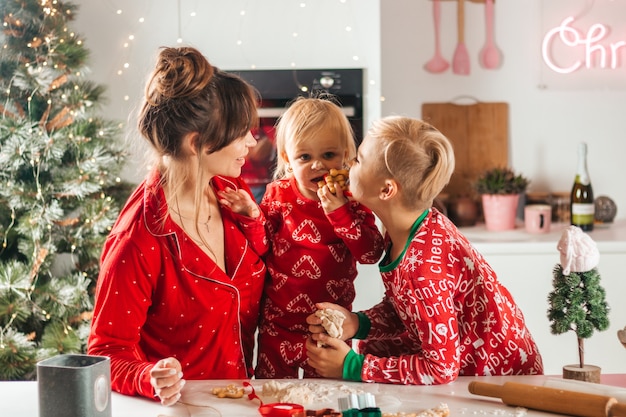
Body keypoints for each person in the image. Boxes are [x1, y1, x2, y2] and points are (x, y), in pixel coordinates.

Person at [87, 46, 268, 406]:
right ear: (196, 143)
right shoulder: (138, 240)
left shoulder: (232, 192)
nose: (252, 141)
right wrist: (148, 377)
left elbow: (262, 258)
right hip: (185, 411)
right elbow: (105, 353)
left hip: (241, 403)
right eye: (241, 132)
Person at [305, 116, 544, 384]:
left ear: (386, 189)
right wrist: (357, 323)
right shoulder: (411, 227)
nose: (349, 165)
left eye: (359, 160)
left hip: (496, 381)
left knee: (366, 357)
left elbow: (440, 369)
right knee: (371, 345)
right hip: (467, 359)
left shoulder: (421, 269)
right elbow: (408, 308)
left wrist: (352, 367)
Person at [254, 96, 384, 379]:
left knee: (327, 401)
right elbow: (259, 246)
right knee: (273, 396)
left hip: (331, 326)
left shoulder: (353, 199)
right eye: (305, 157)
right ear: (288, 158)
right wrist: (249, 217)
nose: (317, 166)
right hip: (278, 324)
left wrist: (340, 213)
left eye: (328, 155)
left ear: (346, 155)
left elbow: (371, 253)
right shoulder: (279, 194)